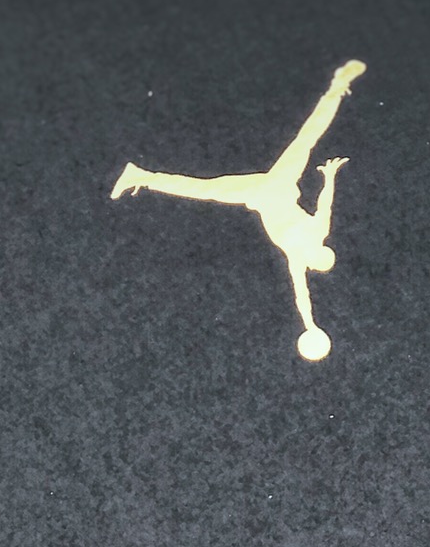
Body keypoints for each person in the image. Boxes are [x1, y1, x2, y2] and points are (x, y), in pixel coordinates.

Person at [111, 60, 366, 360]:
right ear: (320, 252)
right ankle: (338, 86)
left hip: (263, 190)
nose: (316, 255)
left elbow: (303, 295)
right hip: (278, 184)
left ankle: (140, 175)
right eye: (320, 254)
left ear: (313, 262)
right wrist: (330, 177)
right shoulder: (313, 238)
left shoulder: (302, 253)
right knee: (304, 140)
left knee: (208, 187)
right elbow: (326, 203)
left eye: (317, 258)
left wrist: (310, 324)